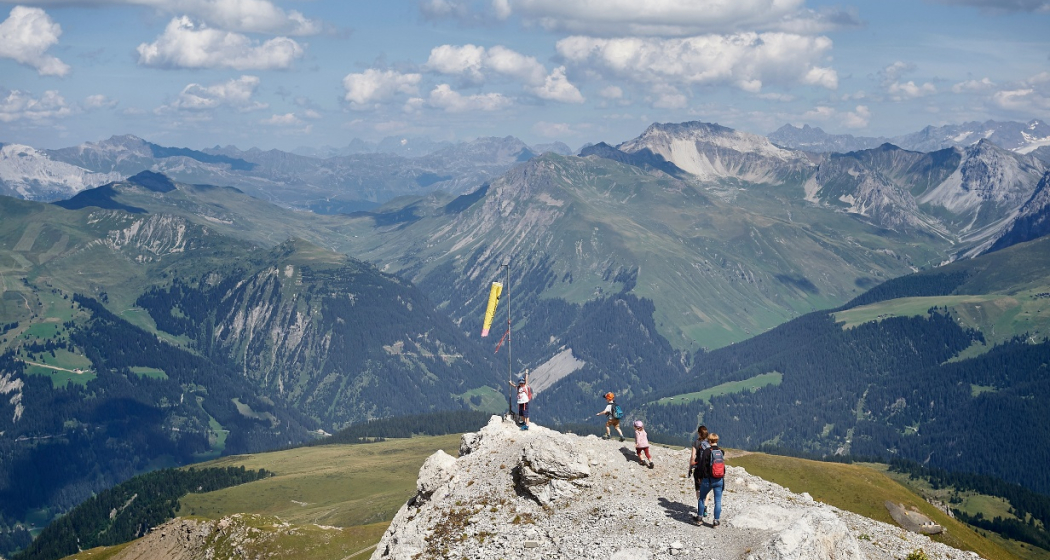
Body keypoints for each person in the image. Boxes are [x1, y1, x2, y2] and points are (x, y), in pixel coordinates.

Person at [694, 433, 725, 527]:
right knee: (718, 501)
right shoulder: (721, 452)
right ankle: (716, 521)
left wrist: (699, 477)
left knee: (702, 498)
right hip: (719, 479)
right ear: (717, 441)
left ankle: (699, 518)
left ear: (709, 441)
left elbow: (702, 466)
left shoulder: (707, 451)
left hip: (708, 480)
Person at [688, 425, 711, 519]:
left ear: (698, 433)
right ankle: (705, 507)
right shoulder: (710, 443)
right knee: (707, 489)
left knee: (698, 490)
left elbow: (692, 457)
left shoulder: (696, 443)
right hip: (707, 470)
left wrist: (690, 468)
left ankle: (701, 509)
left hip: (698, 469)